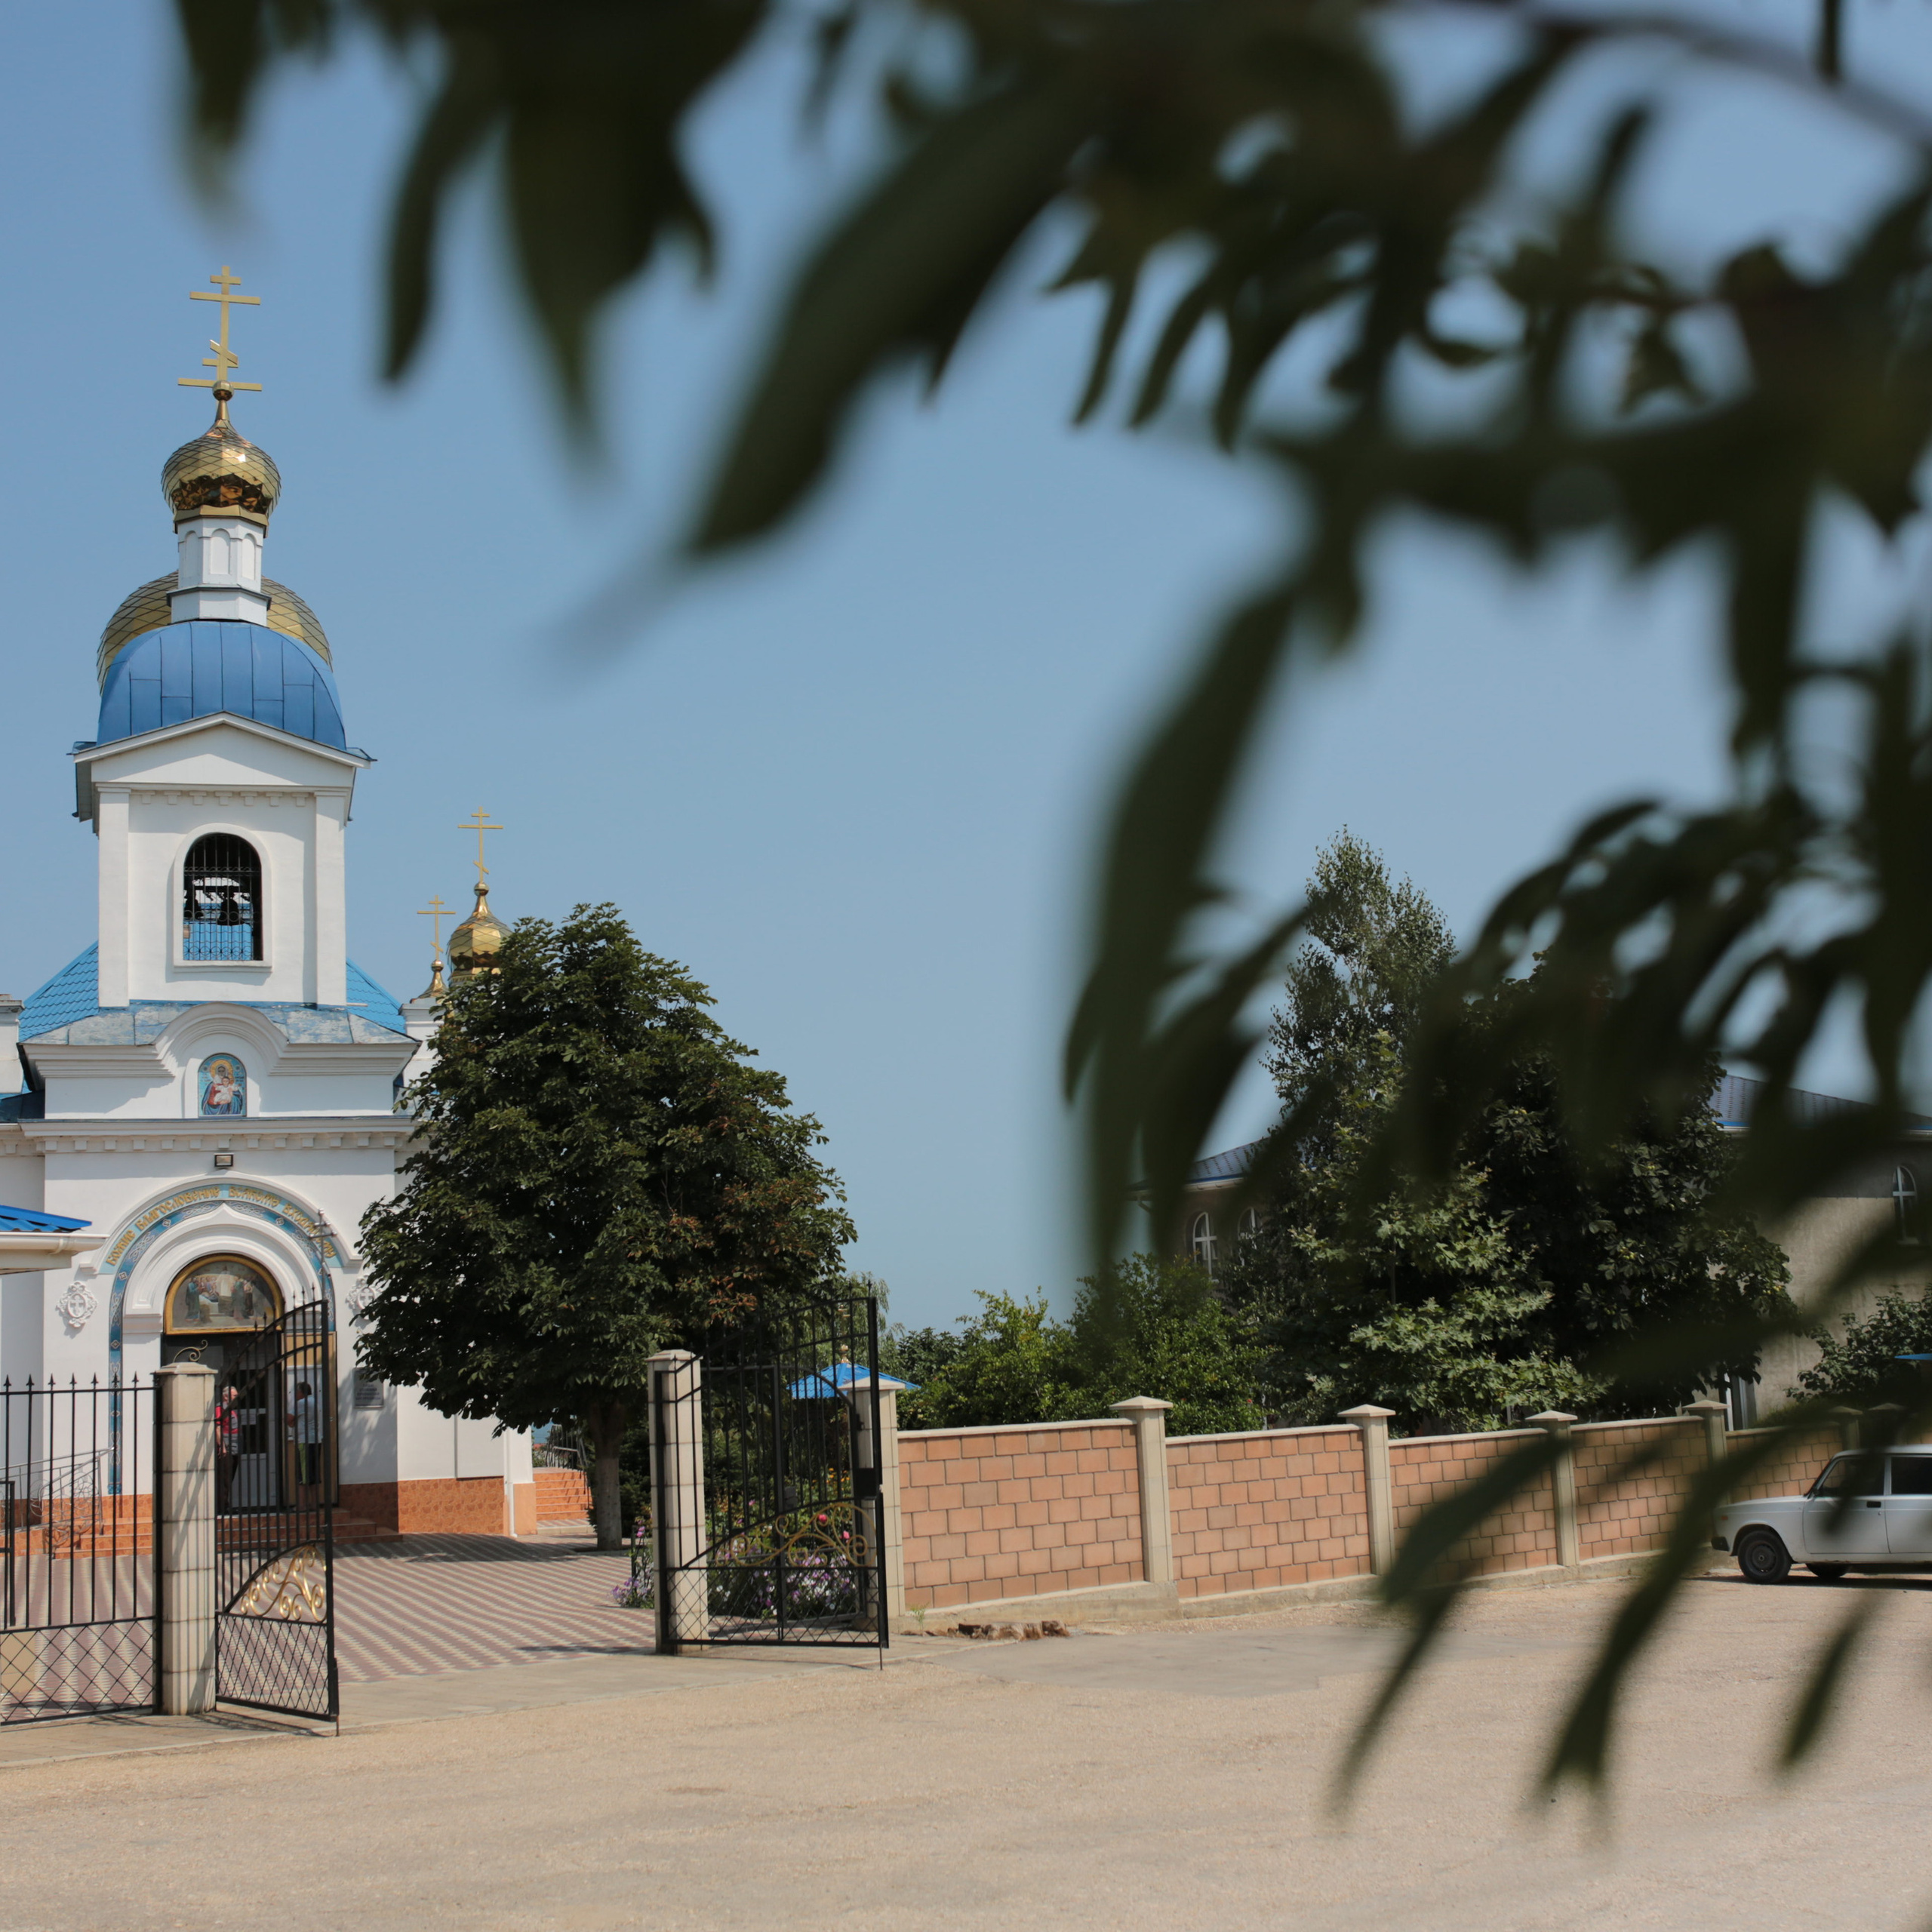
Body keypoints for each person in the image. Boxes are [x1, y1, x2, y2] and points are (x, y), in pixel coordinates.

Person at [286, 1380, 325, 1491]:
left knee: (303, 1475)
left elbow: (289, 1419)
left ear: (302, 1392)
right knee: (313, 1475)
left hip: (304, 1442)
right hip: (316, 1440)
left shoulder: (302, 1403)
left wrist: (291, 1422)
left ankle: (302, 1506)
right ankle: (314, 1504)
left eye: (297, 1392)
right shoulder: (315, 1402)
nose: (296, 1395)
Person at [214, 1383, 242, 1511]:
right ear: (226, 1397)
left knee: (229, 1477)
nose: (237, 1397)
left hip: (235, 1448)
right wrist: (222, 1447)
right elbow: (217, 1428)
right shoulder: (221, 1409)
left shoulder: (230, 1409)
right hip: (228, 1448)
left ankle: (225, 1504)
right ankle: (222, 1507)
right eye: (234, 1395)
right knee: (224, 1478)